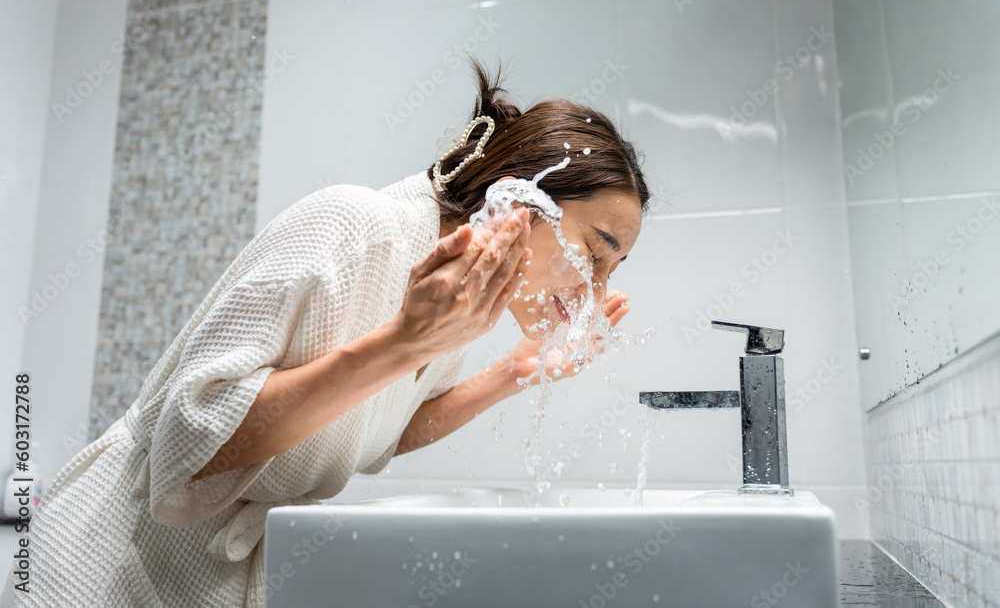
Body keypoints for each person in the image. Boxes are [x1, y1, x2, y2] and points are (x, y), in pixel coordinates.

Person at [1, 59, 650, 606]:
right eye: (595, 251)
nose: (592, 291)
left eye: (612, 270)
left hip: (209, 578)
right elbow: (188, 437)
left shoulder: (450, 303)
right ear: (521, 199)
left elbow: (383, 431)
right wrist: (402, 343)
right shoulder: (354, 224)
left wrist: (515, 370)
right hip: (104, 563)